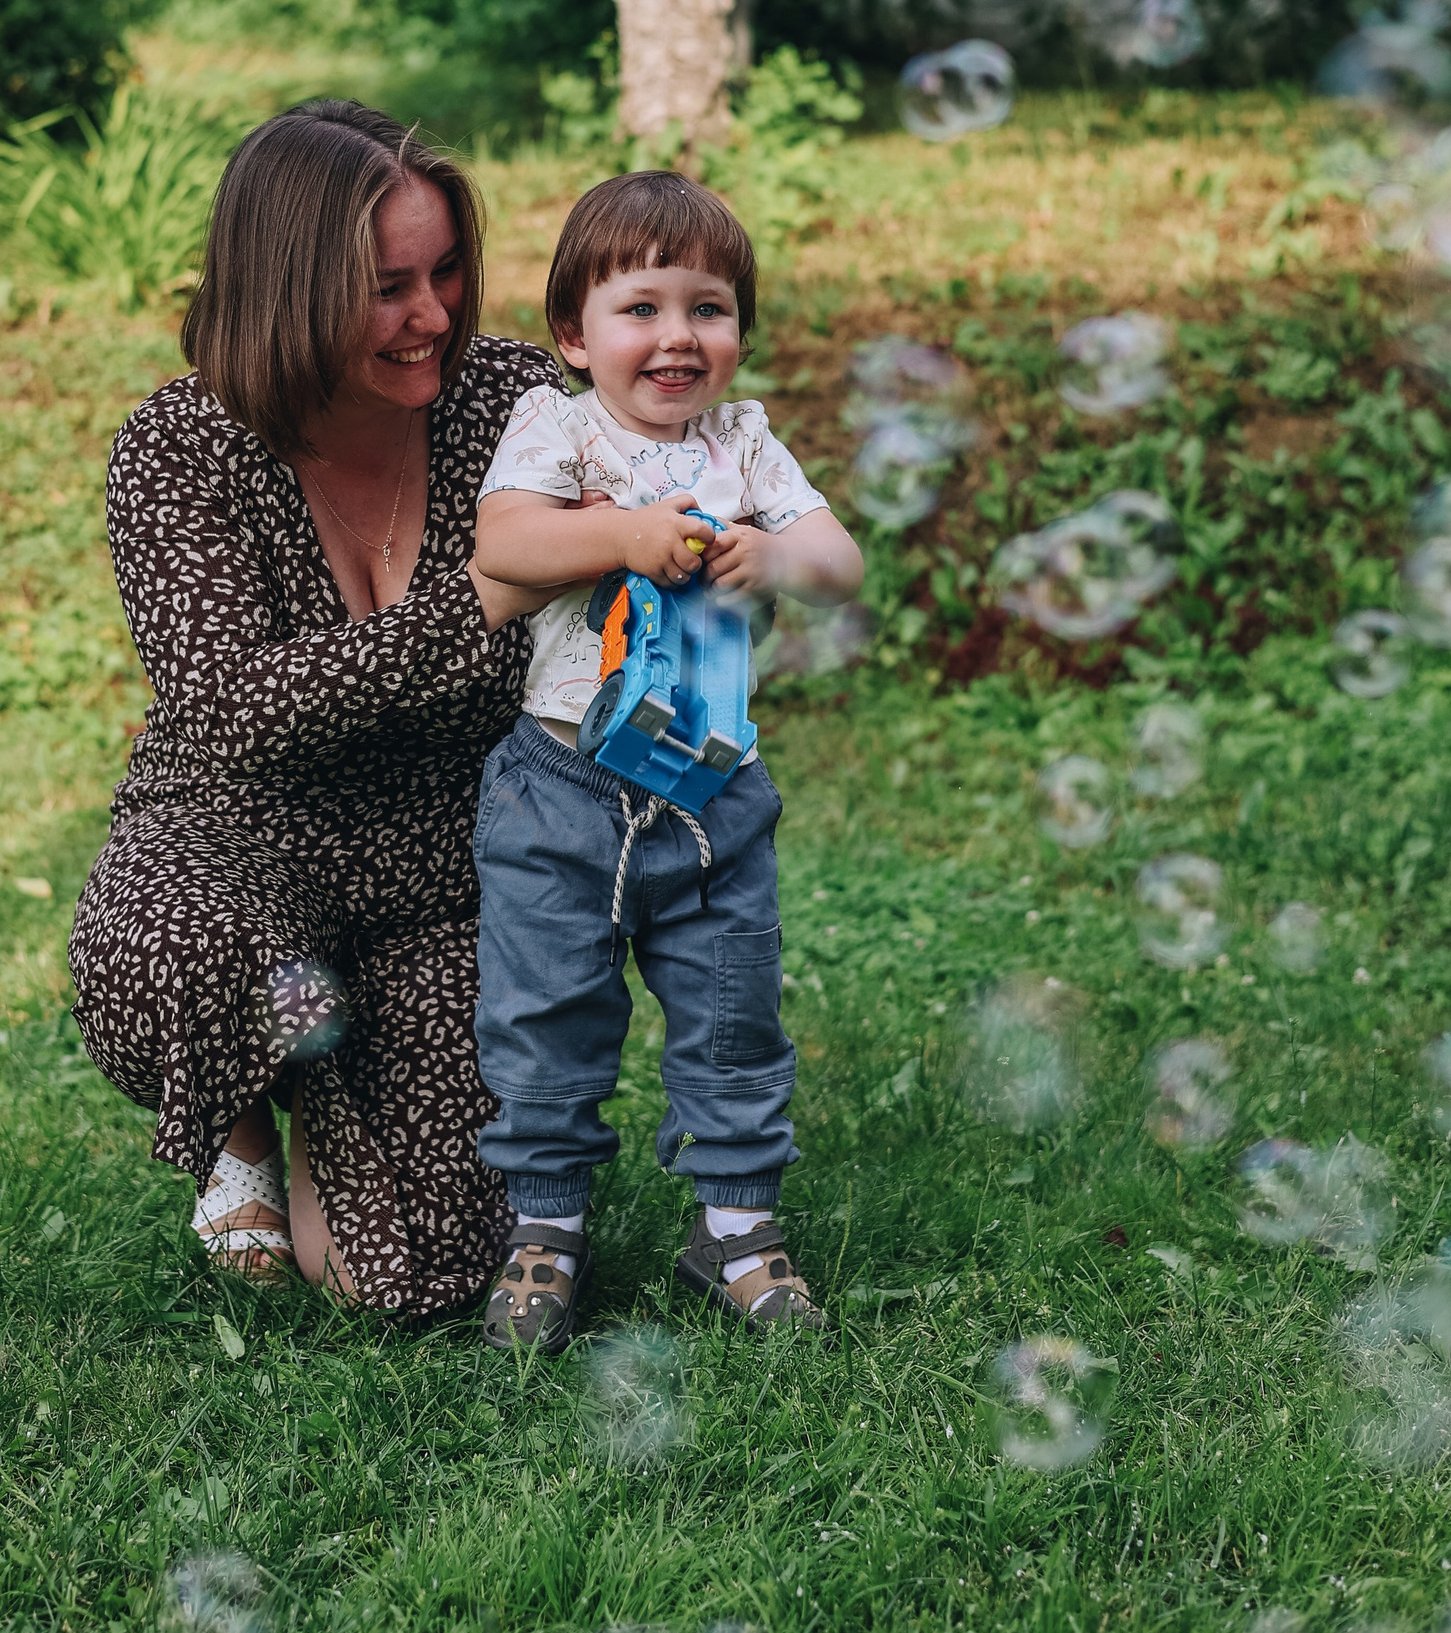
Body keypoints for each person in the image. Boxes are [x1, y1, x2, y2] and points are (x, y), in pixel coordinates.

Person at [67, 98, 554, 1315]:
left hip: (447, 878)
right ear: (288, 289)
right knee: (174, 949)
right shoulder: (180, 444)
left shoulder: (516, 404)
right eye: (389, 288)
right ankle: (240, 1117)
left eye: (447, 272)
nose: (432, 315)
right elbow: (236, 708)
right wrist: (483, 599)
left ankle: (329, 1087)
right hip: (238, 842)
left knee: (408, 1283)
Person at [467, 168, 865, 1349]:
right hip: (562, 789)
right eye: (640, 308)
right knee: (545, 1012)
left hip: (712, 793)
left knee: (732, 1006)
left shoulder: (745, 445)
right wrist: (624, 535)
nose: (677, 335)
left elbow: (838, 561)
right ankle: (546, 1230)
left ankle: (735, 1230)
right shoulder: (558, 428)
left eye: (709, 308)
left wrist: (771, 556)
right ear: (574, 336)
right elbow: (507, 540)